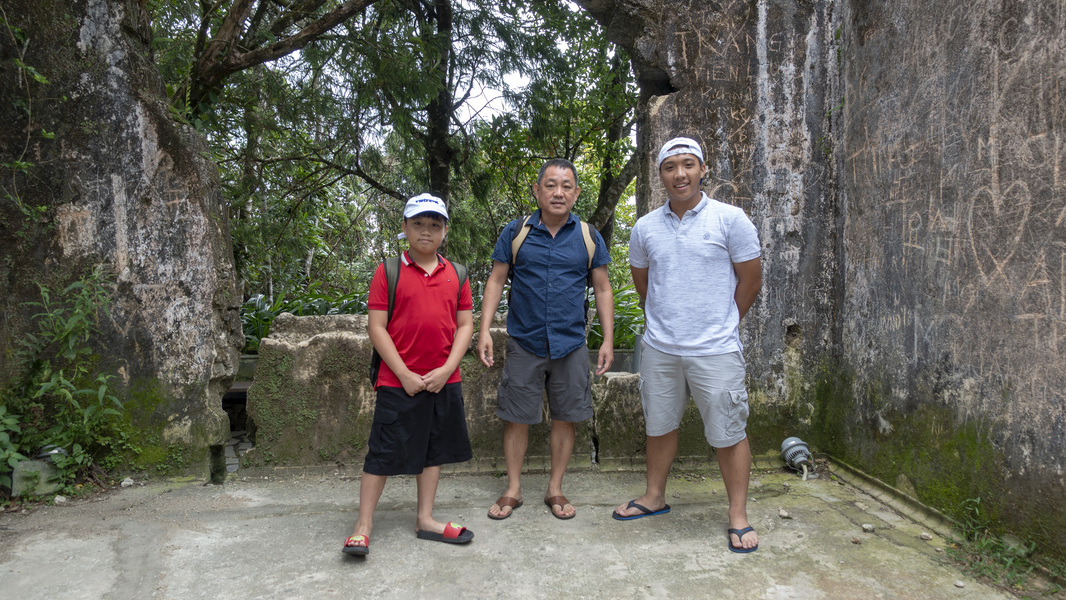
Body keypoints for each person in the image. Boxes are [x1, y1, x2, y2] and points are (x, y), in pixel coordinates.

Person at [613, 137, 763, 554]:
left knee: (728, 431)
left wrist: (722, 322)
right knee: (659, 425)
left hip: (716, 349)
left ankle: (738, 515)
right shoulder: (645, 228)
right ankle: (654, 496)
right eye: (670, 167)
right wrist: (669, 324)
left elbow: (751, 280)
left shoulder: (730, 220)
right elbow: (645, 285)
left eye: (688, 164)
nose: (679, 174)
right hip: (661, 348)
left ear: (702, 170)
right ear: (660, 175)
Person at [478, 158, 614, 521]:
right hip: (524, 340)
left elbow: (602, 288)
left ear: (576, 193)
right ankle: (513, 489)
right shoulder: (516, 232)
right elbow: (496, 280)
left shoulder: (588, 236)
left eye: (566, 186)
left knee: (566, 418)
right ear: (537, 190)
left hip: (570, 343)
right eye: (550, 185)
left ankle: (555, 487)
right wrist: (484, 330)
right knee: (516, 418)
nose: (558, 192)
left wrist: (607, 340)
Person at [343, 193, 475, 556]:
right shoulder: (388, 271)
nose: (426, 231)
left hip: (442, 380)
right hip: (396, 381)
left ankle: (425, 519)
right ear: (404, 227)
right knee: (382, 451)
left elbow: (465, 325)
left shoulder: (457, 273)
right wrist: (403, 374)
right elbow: (376, 327)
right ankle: (363, 524)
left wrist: (446, 369)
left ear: (445, 231)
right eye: (418, 224)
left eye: (434, 225)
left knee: (433, 450)